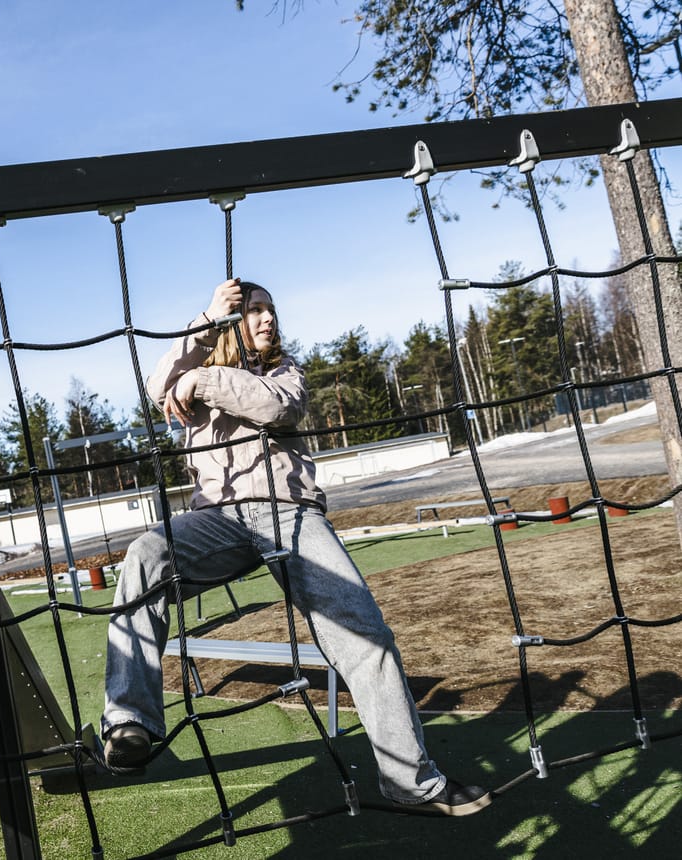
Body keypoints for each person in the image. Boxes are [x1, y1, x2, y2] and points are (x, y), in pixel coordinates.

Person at [100, 277, 491, 816]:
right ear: (230, 323)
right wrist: (208, 319)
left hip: (289, 512)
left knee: (364, 632)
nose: (267, 318)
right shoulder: (197, 357)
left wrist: (202, 380)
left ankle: (409, 781)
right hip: (216, 517)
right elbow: (157, 384)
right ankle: (129, 724)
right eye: (254, 310)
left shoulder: (284, 371)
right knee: (146, 555)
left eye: (271, 310)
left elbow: (277, 408)